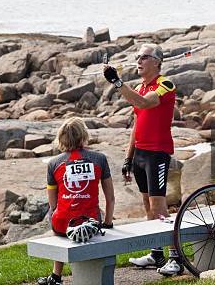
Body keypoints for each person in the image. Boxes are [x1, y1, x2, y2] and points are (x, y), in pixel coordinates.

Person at [102, 43, 182, 276]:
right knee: (147, 205)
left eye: (144, 57)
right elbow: (137, 124)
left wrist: (117, 83)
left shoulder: (165, 84)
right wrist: (128, 158)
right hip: (141, 154)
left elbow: (145, 102)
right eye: (137, 57)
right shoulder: (139, 87)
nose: (139, 60)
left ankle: (175, 258)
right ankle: (156, 253)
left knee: (159, 206)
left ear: (157, 62)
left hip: (158, 153)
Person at [38, 117, 115, 285]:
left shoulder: (53, 163)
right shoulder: (99, 158)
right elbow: (110, 199)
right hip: (91, 225)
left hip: (62, 226)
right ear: (83, 135)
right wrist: (107, 223)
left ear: (61, 138)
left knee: (57, 212)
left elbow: (53, 204)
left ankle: (56, 276)